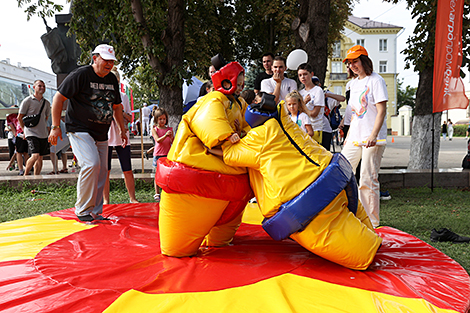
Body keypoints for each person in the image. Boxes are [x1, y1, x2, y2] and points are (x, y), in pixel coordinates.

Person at [208, 100, 382, 270]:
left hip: (314, 207)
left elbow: (229, 153)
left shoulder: (258, 140)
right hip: (338, 181)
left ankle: (367, 247)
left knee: (364, 252)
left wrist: (215, 144)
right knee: (366, 231)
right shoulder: (286, 122)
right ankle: (370, 237)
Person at [155, 56, 252, 257]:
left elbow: (247, 130)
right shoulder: (213, 100)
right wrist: (229, 139)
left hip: (231, 183)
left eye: (243, 82)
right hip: (194, 179)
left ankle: (218, 237)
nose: (241, 86)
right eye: (238, 82)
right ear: (226, 81)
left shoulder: (238, 104)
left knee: (221, 239)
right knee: (176, 248)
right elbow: (213, 130)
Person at [48, 43, 127, 222]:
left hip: (101, 132)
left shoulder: (111, 79)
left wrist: (122, 129)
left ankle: (95, 211)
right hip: (79, 128)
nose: (109, 65)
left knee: (102, 170)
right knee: (91, 164)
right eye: (105, 60)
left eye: (111, 62)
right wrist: (55, 126)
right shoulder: (81, 75)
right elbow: (58, 98)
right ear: (95, 58)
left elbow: (116, 106)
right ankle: (82, 209)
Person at [340, 45, 388, 228]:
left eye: (355, 61)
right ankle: (347, 214)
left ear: (364, 61)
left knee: (368, 178)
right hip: (355, 136)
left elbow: (382, 111)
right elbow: (354, 113)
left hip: (373, 137)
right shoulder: (353, 84)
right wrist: (349, 135)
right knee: (342, 172)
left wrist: (374, 135)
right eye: (350, 63)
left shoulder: (377, 80)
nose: (353, 65)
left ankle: (372, 222)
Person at [103, 68, 139, 205]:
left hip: (122, 136)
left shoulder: (123, 96)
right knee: (105, 170)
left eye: (115, 81)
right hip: (106, 136)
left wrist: (121, 112)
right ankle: (106, 200)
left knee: (127, 169)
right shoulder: (102, 95)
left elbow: (130, 118)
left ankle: (132, 198)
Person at [18, 79, 51, 176]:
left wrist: (48, 132)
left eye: (43, 86)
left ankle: (37, 178)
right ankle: (26, 175)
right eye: (39, 86)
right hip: (31, 132)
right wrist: (25, 131)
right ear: (34, 87)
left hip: (43, 133)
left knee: (40, 157)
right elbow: (20, 117)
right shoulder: (27, 101)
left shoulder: (47, 103)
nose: (42, 88)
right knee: (35, 155)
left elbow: (46, 118)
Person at [298, 64, 324, 144]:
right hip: (302, 129)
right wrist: (304, 103)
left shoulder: (318, 90)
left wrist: (302, 104)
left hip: (315, 128)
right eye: (300, 75)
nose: (303, 77)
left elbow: (314, 114)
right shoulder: (300, 92)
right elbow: (297, 112)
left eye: (305, 74)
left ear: (311, 74)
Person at [151, 108, 173, 201]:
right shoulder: (154, 129)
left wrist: (171, 136)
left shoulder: (169, 129)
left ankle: (167, 191)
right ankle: (157, 193)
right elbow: (158, 140)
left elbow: (173, 141)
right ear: (156, 119)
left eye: (164, 119)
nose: (162, 121)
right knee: (157, 174)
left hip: (167, 154)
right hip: (158, 154)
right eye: (160, 119)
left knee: (167, 174)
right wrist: (165, 135)